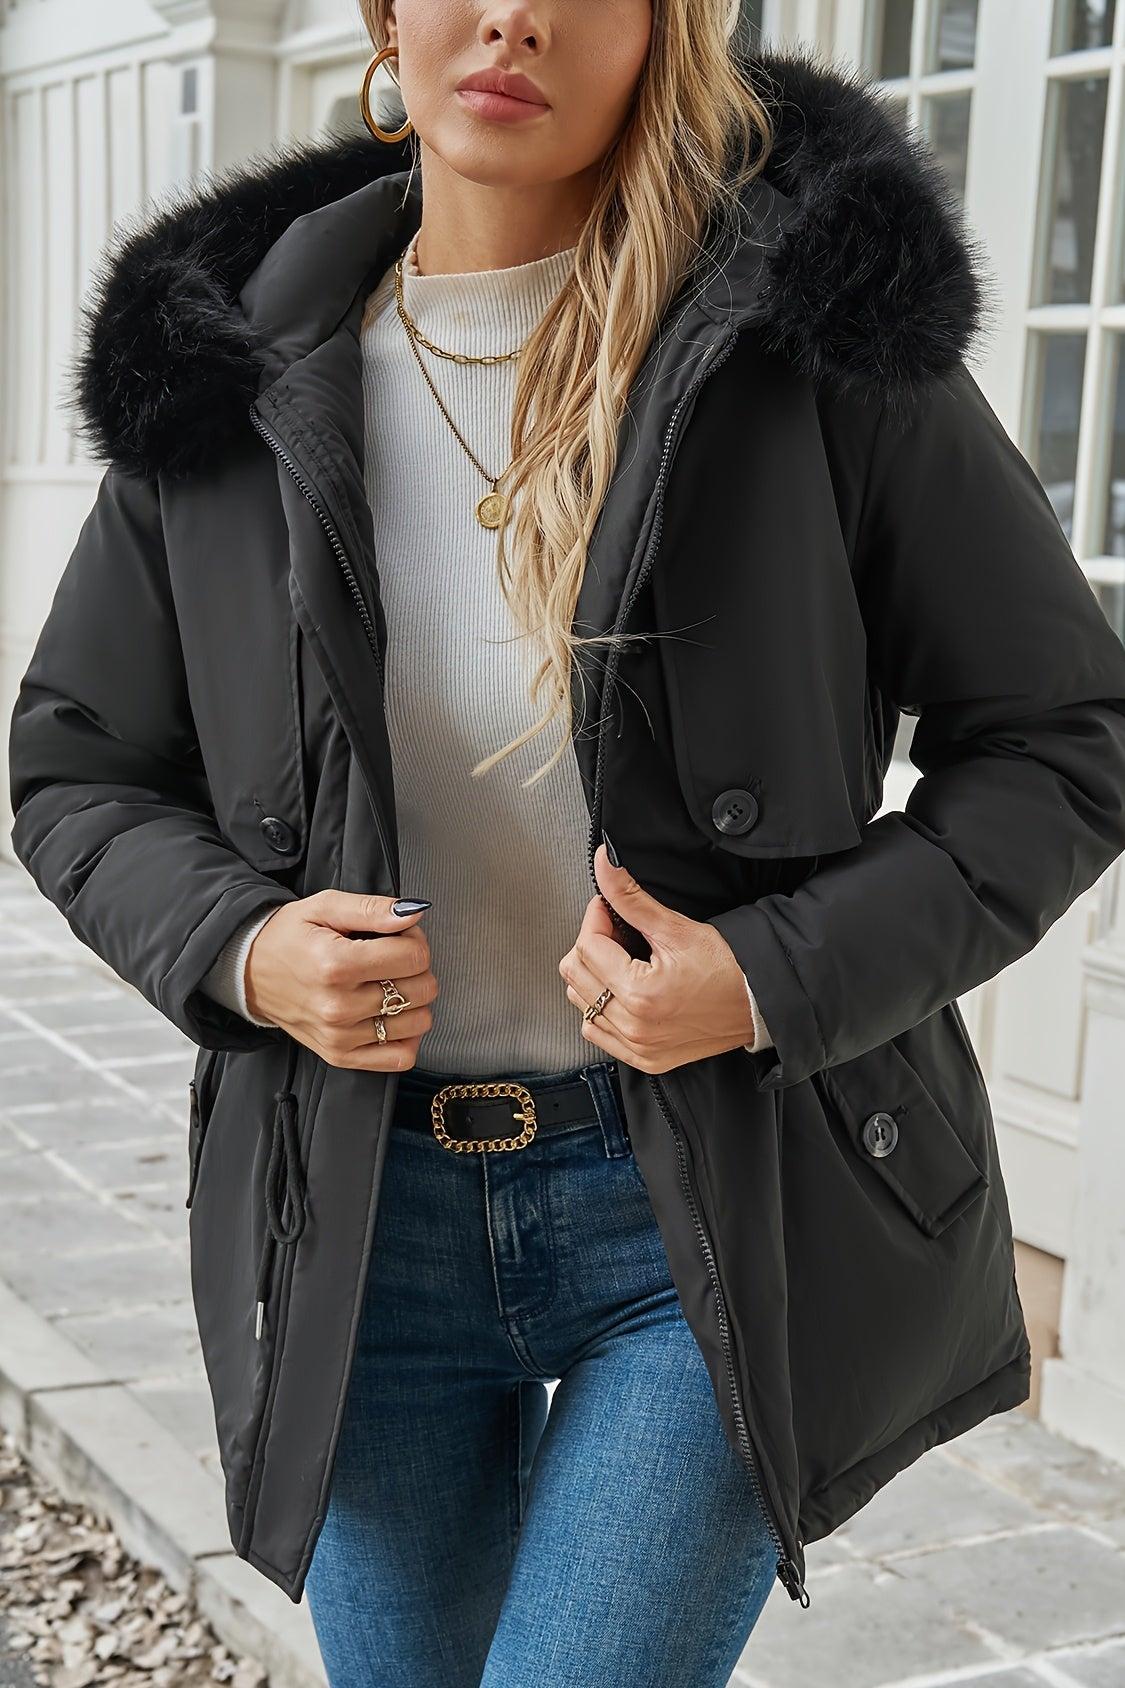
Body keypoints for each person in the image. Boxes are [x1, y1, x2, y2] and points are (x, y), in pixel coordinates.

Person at [9, 3, 1125, 1684]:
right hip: (354, 1219)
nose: (515, 15)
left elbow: (1061, 738)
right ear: (385, 15)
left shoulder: (803, 333)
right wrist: (244, 947)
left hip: (701, 1202)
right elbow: (76, 767)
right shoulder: (226, 370)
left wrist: (769, 973)